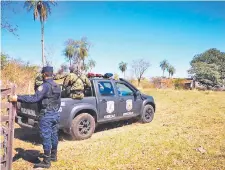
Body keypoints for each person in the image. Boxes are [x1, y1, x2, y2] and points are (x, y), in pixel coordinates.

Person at [9, 66, 61, 169]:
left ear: (44, 74)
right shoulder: (57, 86)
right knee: (54, 135)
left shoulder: (45, 86)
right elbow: (58, 101)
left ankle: (46, 162)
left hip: (46, 115)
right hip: (55, 114)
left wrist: (18, 97)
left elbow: (34, 98)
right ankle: (53, 156)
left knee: (46, 136)